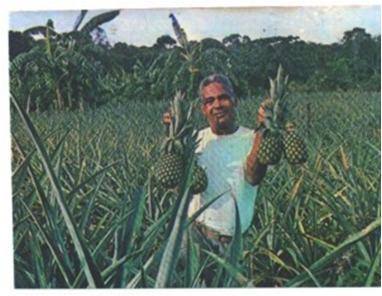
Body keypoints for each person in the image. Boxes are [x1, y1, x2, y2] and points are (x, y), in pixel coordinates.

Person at [164, 74, 269, 284]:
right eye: (209, 101)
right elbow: (179, 189)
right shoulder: (195, 141)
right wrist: (170, 140)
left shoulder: (252, 138)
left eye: (223, 98)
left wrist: (263, 129)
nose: (217, 105)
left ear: (235, 100)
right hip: (194, 237)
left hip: (234, 244)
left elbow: (253, 176)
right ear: (203, 108)